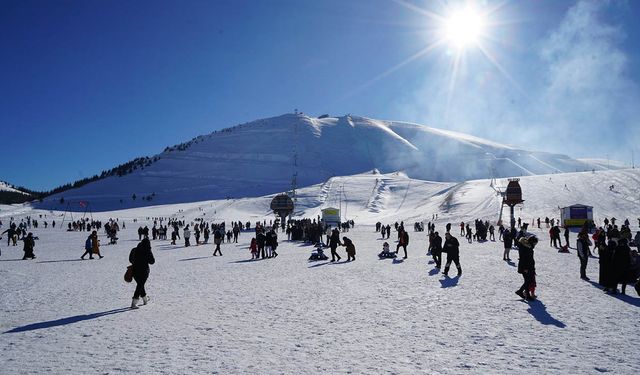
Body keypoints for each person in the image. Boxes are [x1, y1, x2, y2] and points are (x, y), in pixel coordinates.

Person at [129, 238, 155, 309]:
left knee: (140, 285)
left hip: (134, 271)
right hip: (144, 271)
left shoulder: (134, 249)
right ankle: (134, 303)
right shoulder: (147, 250)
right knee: (140, 285)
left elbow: (130, 259)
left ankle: (145, 299)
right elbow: (152, 261)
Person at [515, 234, 538, 300]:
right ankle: (520, 291)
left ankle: (527, 295)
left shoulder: (528, 247)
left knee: (528, 281)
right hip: (526, 267)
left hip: (528, 267)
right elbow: (524, 258)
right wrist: (525, 268)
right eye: (535, 243)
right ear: (531, 242)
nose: (535, 245)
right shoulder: (526, 248)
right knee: (528, 281)